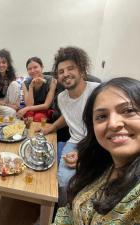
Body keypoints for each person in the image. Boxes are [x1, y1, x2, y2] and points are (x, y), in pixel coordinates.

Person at [54, 77, 140, 224]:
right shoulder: (102, 165)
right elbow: (68, 211)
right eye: (102, 116)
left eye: (128, 110)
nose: (113, 124)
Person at [37, 47, 99, 206]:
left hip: (97, 143)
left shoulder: (97, 92)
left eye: (71, 68)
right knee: (63, 182)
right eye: (61, 71)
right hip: (74, 142)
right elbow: (68, 116)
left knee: (77, 182)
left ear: (81, 69)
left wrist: (85, 155)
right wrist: (51, 127)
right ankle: (62, 214)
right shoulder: (62, 98)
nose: (66, 74)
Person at [17, 57, 57, 122]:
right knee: (27, 118)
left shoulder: (52, 81)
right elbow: (29, 104)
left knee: (38, 118)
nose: (32, 71)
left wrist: (26, 109)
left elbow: (47, 105)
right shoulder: (25, 84)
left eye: (35, 67)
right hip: (30, 109)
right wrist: (31, 86)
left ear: (42, 67)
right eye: (29, 69)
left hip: (45, 110)